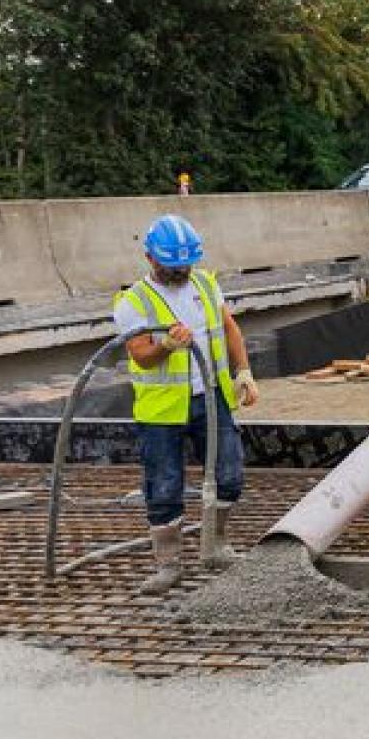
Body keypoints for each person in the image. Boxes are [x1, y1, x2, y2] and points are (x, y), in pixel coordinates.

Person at [111, 214, 259, 594]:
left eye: (185, 264)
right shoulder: (134, 301)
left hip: (211, 398)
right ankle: (169, 564)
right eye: (171, 265)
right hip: (162, 412)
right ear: (150, 258)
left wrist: (243, 372)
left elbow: (228, 329)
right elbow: (140, 355)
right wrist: (166, 346)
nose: (180, 271)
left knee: (229, 475)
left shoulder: (206, 285)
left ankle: (215, 545)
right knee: (164, 486)